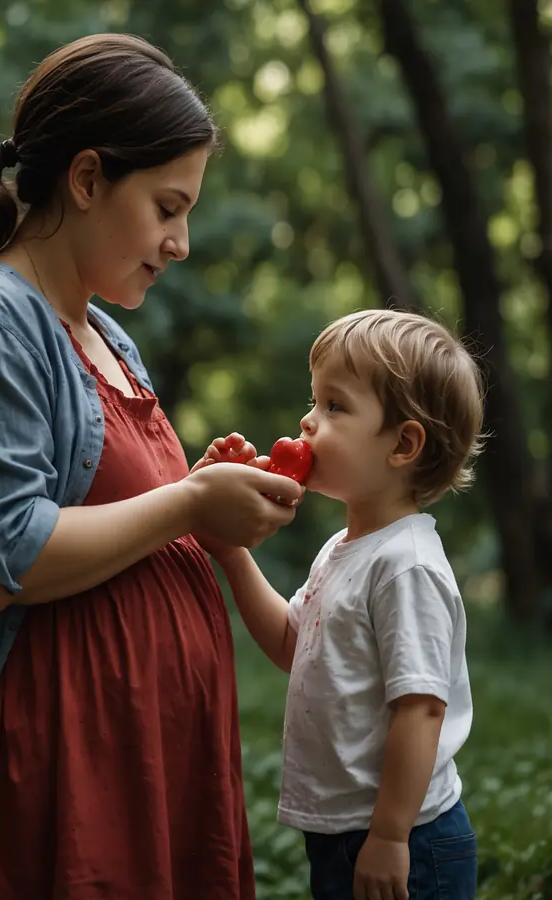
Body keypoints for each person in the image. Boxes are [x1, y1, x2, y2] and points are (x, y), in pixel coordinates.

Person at [0, 33, 306, 900]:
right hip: (55, 782)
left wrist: (213, 510)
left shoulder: (107, 334)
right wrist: (191, 504)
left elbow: (131, 520)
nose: (181, 241)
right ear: (85, 180)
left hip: (142, 770)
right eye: (166, 207)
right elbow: (6, 560)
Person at [193, 308, 485, 900]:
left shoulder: (406, 564)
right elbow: (289, 643)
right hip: (344, 832)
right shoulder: (342, 550)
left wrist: (390, 836)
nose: (307, 421)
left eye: (334, 406)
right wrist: (229, 554)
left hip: (409, 838)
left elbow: (421, 710)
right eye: (313, 401)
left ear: (403, 444)